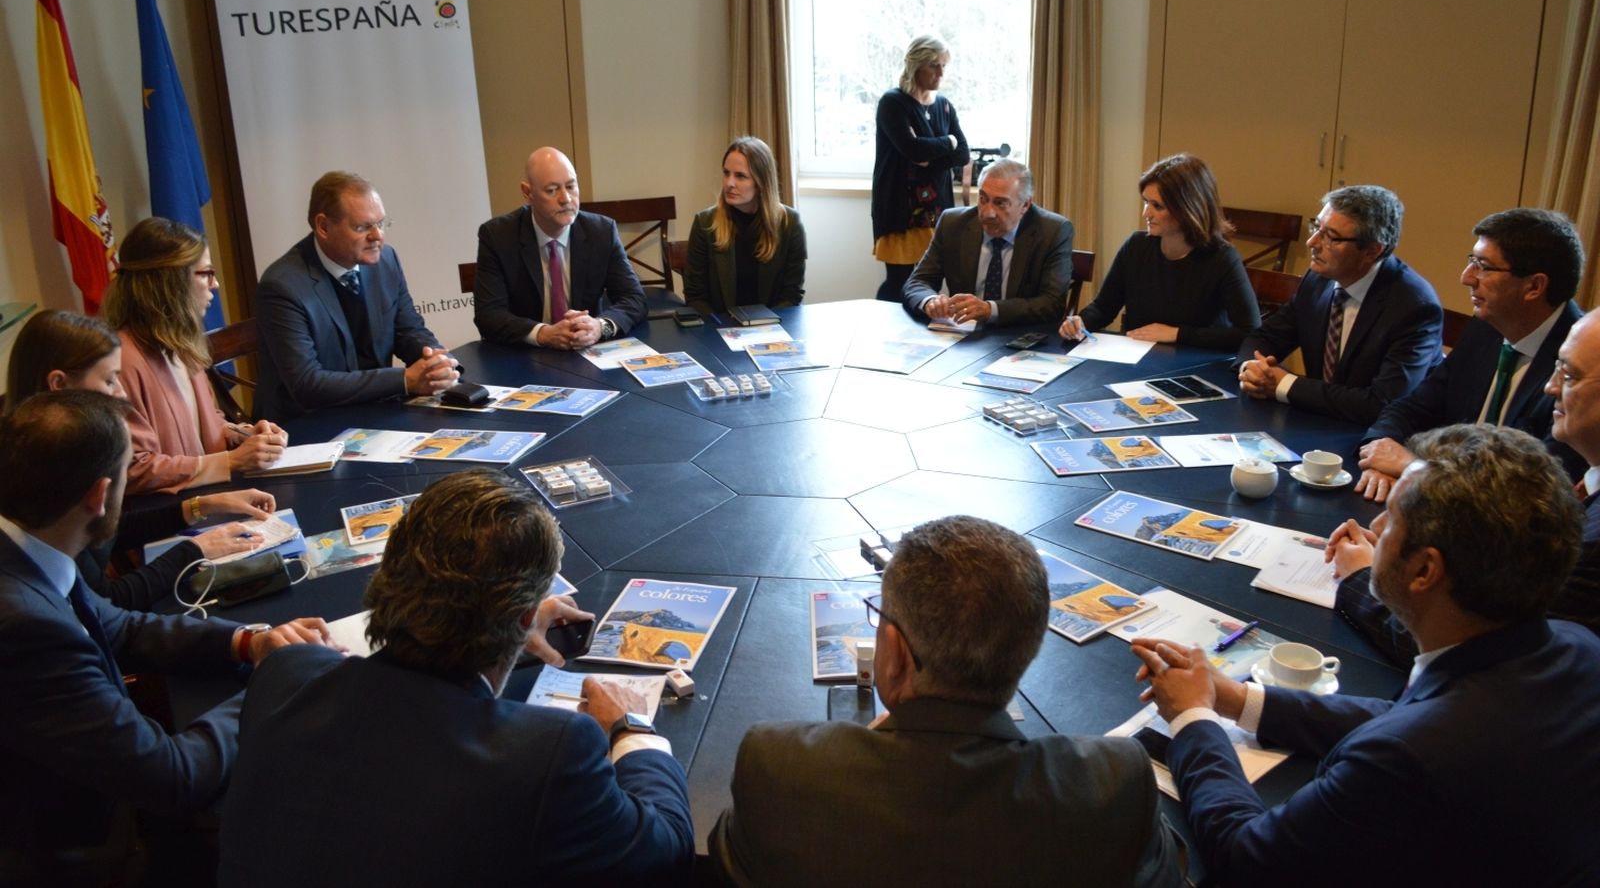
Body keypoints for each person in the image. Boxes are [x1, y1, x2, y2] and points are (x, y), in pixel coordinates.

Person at [1130, 424, 1600, 885]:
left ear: (1423, 570)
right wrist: (1236, 698)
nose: (1374, 526)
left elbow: (1247, 859)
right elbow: (1411, 714)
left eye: (1392, 517)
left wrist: (1193, 716)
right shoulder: (1576, 647)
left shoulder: (1401, 759)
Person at [218, 469, 694, 885]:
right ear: (527, 615)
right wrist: (630, 728)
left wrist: (507, 624)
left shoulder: (285, 673)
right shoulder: (550, 752)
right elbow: (666, 847)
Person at [709, 515, 1181, 886]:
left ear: (894, 651)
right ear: (1031, 647)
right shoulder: (1112, 784)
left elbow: (729, 858)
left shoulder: (780, 767)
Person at [0, 391, 332, 881]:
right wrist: (275, 680)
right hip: (90, 848)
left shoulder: (31, 551)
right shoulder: (26, 625)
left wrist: (249, 642)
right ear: (99, 495)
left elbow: (120, 625)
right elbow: (173, 776)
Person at [1331, 308, 1600, 662]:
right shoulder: (1588, 483)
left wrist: (1363, 578)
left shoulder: (1595, 545)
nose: (1550, 386)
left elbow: (1477, 656)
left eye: (1570, 374)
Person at [5, 309, 275, 610]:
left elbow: (113, 529)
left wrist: (200, 507)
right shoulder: (41, 479)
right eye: (109, 380)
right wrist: (194, 550)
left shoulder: (50, 450)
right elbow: (107, 601)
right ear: (59, 384)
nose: (122, 394)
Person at [1355, 207, 1586, 500]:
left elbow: (1534, 492)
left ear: (1534, 286)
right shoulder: (1486, 328)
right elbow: (1410, 408)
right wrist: (1380, 454)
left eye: (1484, 267)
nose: (1466, 278)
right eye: (1471, 262)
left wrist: (1414, 468)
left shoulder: (1580, 364)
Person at [99, 218, 287, 493]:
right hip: (170, 515)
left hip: (212, 495)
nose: (216, 285)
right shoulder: (121, 361)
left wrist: (244, 436)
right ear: (171, 283)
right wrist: (231, 461)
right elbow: (134, 469)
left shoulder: (180, 343)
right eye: (207, 273)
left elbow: (206, 425)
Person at [255, 170, 458, 420]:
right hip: (308, 424)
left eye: (381, 223)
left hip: (376, 410)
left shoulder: (386, 260)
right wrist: (405, 380)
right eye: (362, 227)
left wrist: (437, 361)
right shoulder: (282, 286)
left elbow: (408, 330)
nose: (378, 236)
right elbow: (308, 384)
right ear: (324, 226)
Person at [1237, 185, 1442, 424]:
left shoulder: (1414, 307)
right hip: (1319, 419)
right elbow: (1266, 337)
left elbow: (1382, 403)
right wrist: (1252, 369)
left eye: (1331, 237)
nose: (1312, 242)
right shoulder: (1318, 279)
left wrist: (1284, 383)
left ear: (1373, 251)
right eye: (1317, 227)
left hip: (1380, 438)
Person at [1061, 153, 1259, 350]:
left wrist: (1178, 334)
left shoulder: (1222, 258)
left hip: (1194, 363)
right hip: (1136, 357)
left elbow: (1250, 333)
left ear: (1188, 209)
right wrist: (1081, 322)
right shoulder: (1136, 246)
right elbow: (1103, 307)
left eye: (1157, 206)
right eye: (1146, 202)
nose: (1146, 213)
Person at [474, 147, 649, 349]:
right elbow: (489, 315)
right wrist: (542, 333)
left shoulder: (601, 231)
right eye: (552, 190)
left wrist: (600, 326)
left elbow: (634, 299)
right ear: (527, 193)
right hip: (524, 355)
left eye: (571, 186)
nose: (565, 198)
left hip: (584, 351)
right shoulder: (498, 236)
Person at [902, 159, 1074, 327]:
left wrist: (990, 310)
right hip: (963, 336)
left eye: (1000, 203)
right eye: (983, 199)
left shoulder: (1053, 231)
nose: (987, 213)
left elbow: (1052, 304)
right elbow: (918, 282)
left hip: (1018, 336)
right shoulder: (953, 224)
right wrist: (931, 301)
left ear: (1025, 205)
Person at [871, 35, 970, 302]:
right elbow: (912, 149)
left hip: (937, 210)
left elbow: (962, 153)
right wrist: (945, 142)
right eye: (934, 66)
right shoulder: (893, 103)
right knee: (898, 286)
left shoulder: (944, 106)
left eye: (943, 66)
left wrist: (929, 154)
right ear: (916, 66)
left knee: (929, 289)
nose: (940, 73)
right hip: (899, 209)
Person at [684, 135, 807, 316]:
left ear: (761, 182)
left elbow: (792, 295)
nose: (729, 183)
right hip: (720, 329)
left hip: (772, 329)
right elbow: (695, 297)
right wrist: (725, 330)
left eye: (740, 176)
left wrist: (766, 327)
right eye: (726, 173)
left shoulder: (790, 223)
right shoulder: (705, 223)